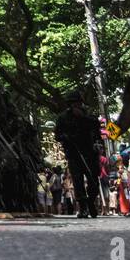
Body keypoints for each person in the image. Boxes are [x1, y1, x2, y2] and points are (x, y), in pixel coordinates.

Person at [52, 90, 102, 218]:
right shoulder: (63, 117)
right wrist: (66, 137)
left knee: (93, 180)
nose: (76, 105)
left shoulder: (89, 116)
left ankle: (91, 201)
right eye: (73, 103)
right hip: (73, 153)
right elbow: (57, 135)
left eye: (78, 103)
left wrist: (83, 118)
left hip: (89, 152)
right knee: (78, 180)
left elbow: (97, 131)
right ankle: (83, 207)